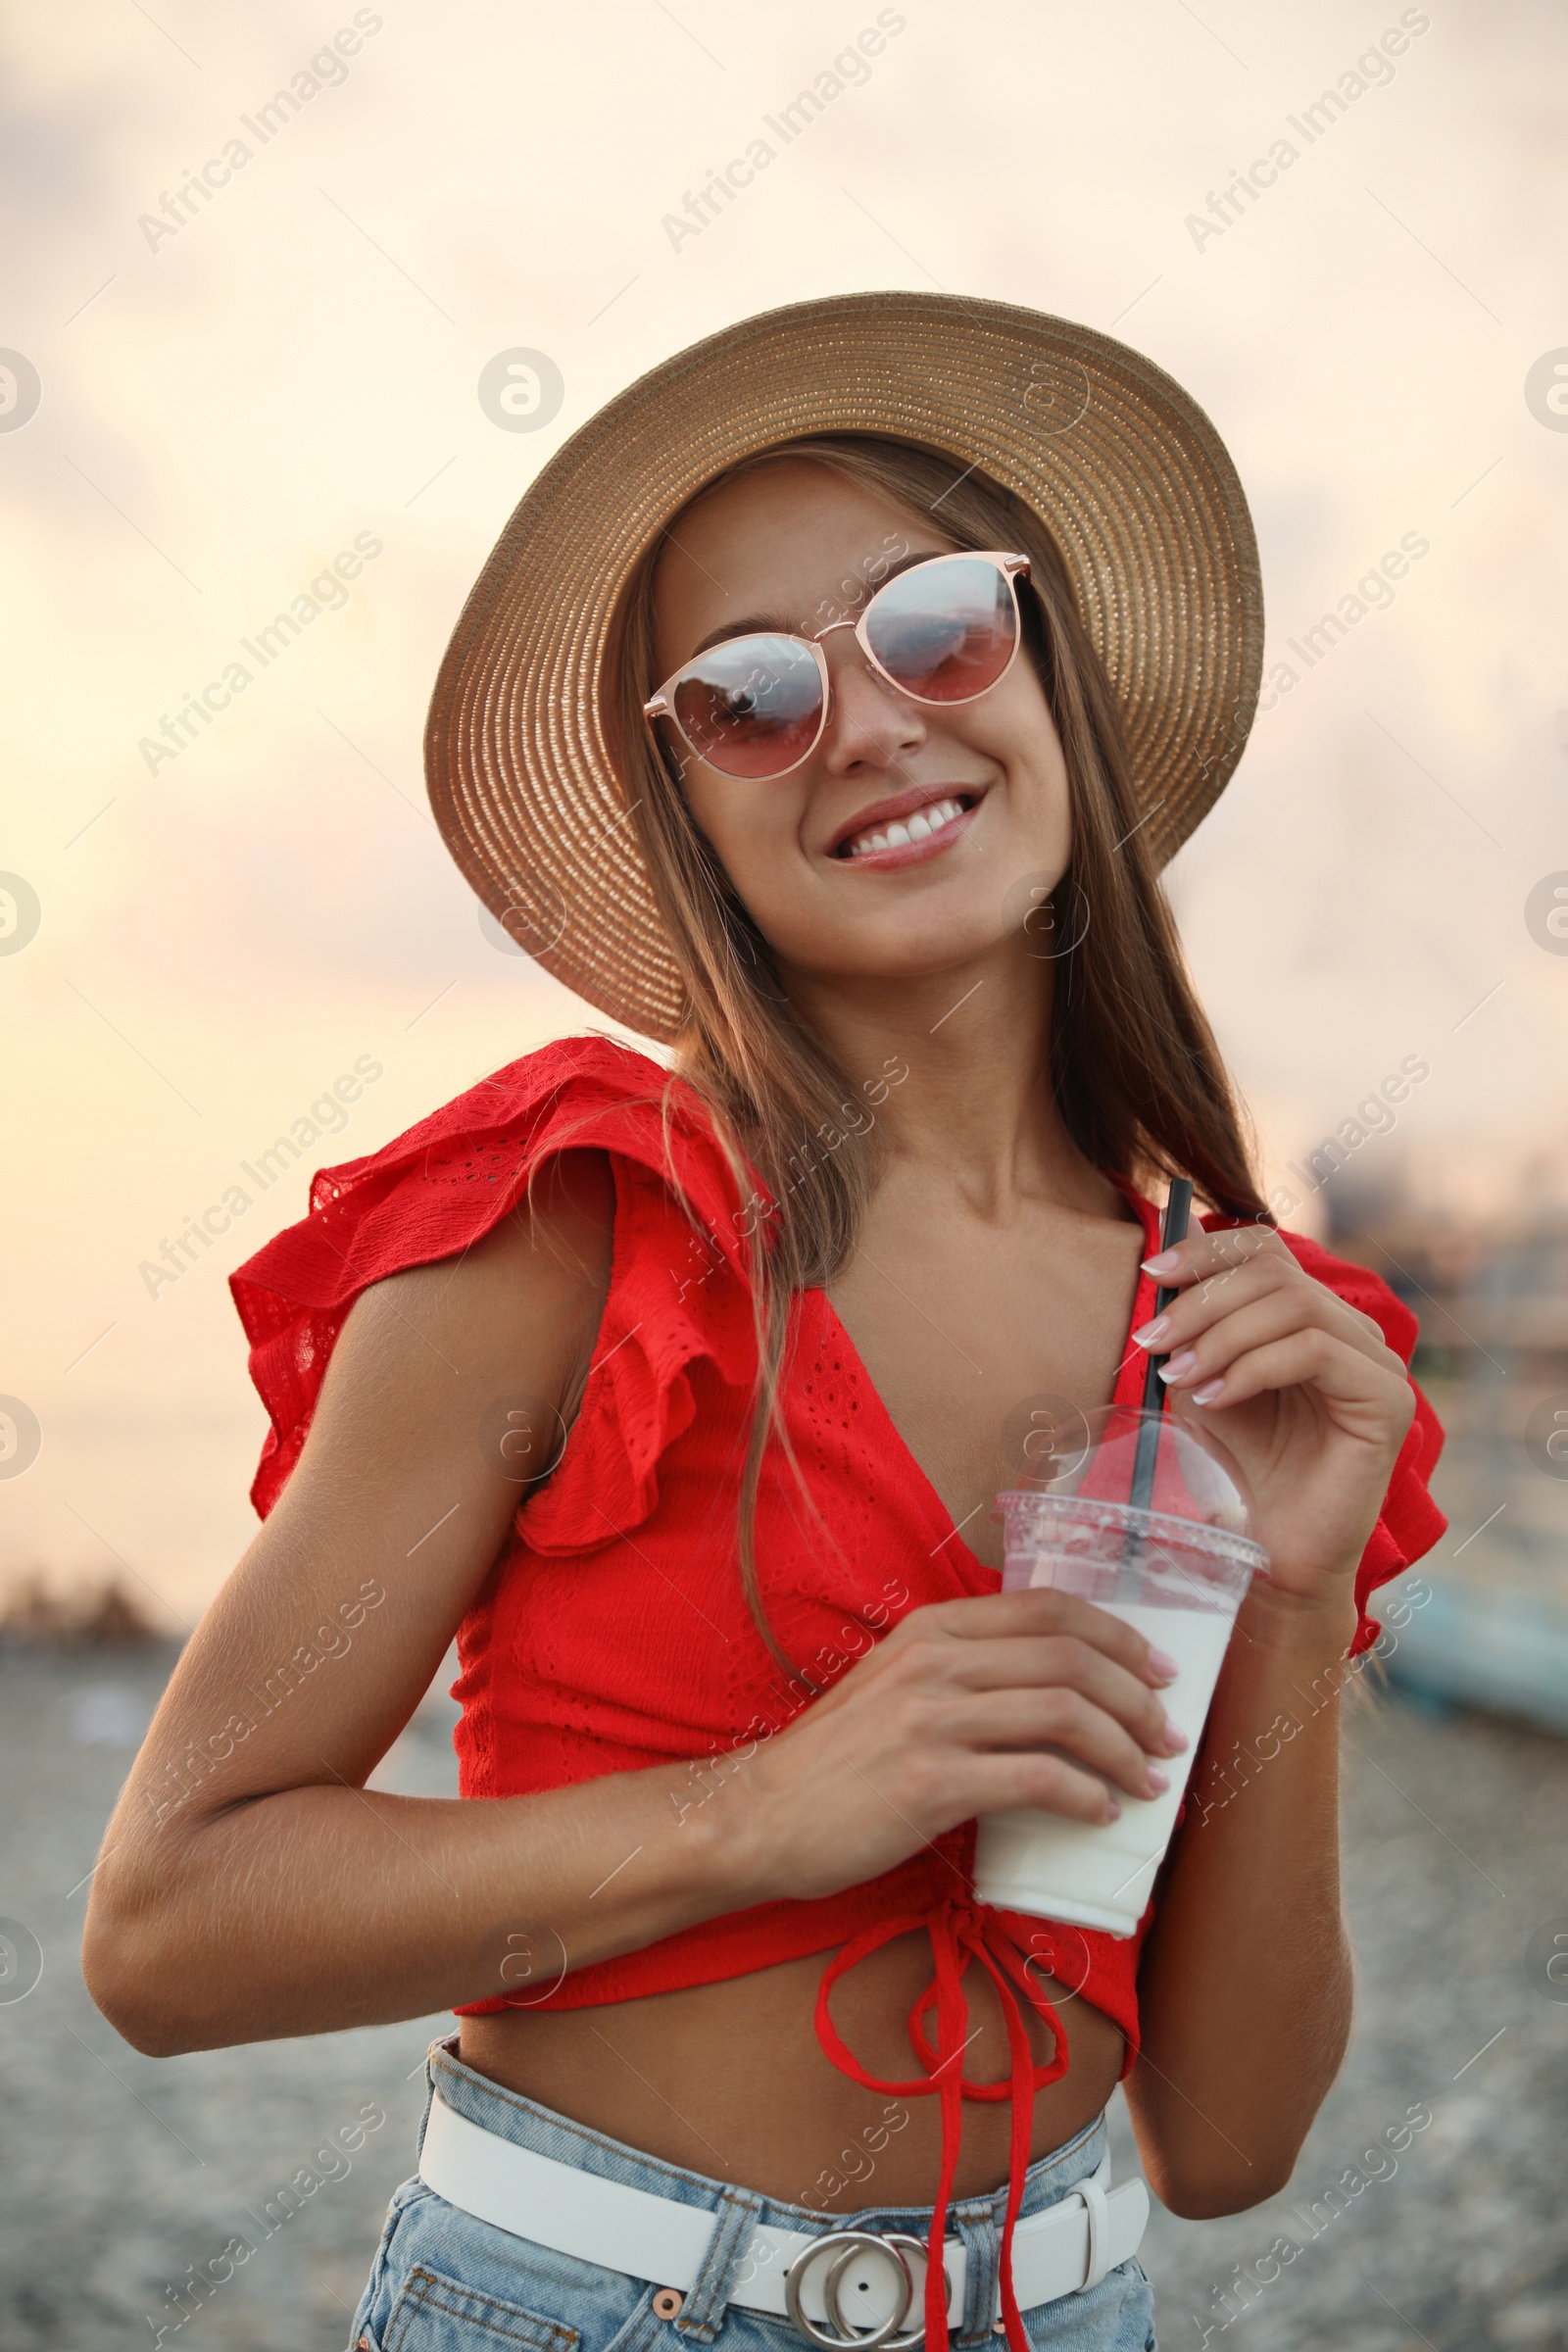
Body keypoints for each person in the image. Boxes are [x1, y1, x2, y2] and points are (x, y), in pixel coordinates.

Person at [83, 293, 1446, 2352]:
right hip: (596, 2305)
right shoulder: (581, 1219)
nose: (871, 724)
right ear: (688, 813)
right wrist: (770, 1807)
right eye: (743, 696)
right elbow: (165, 1932)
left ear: (1045, 671)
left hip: (1069, 2308)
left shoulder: (1242, 1340)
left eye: (931, 628)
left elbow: (1231, 2141)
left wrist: (1288, 1579)